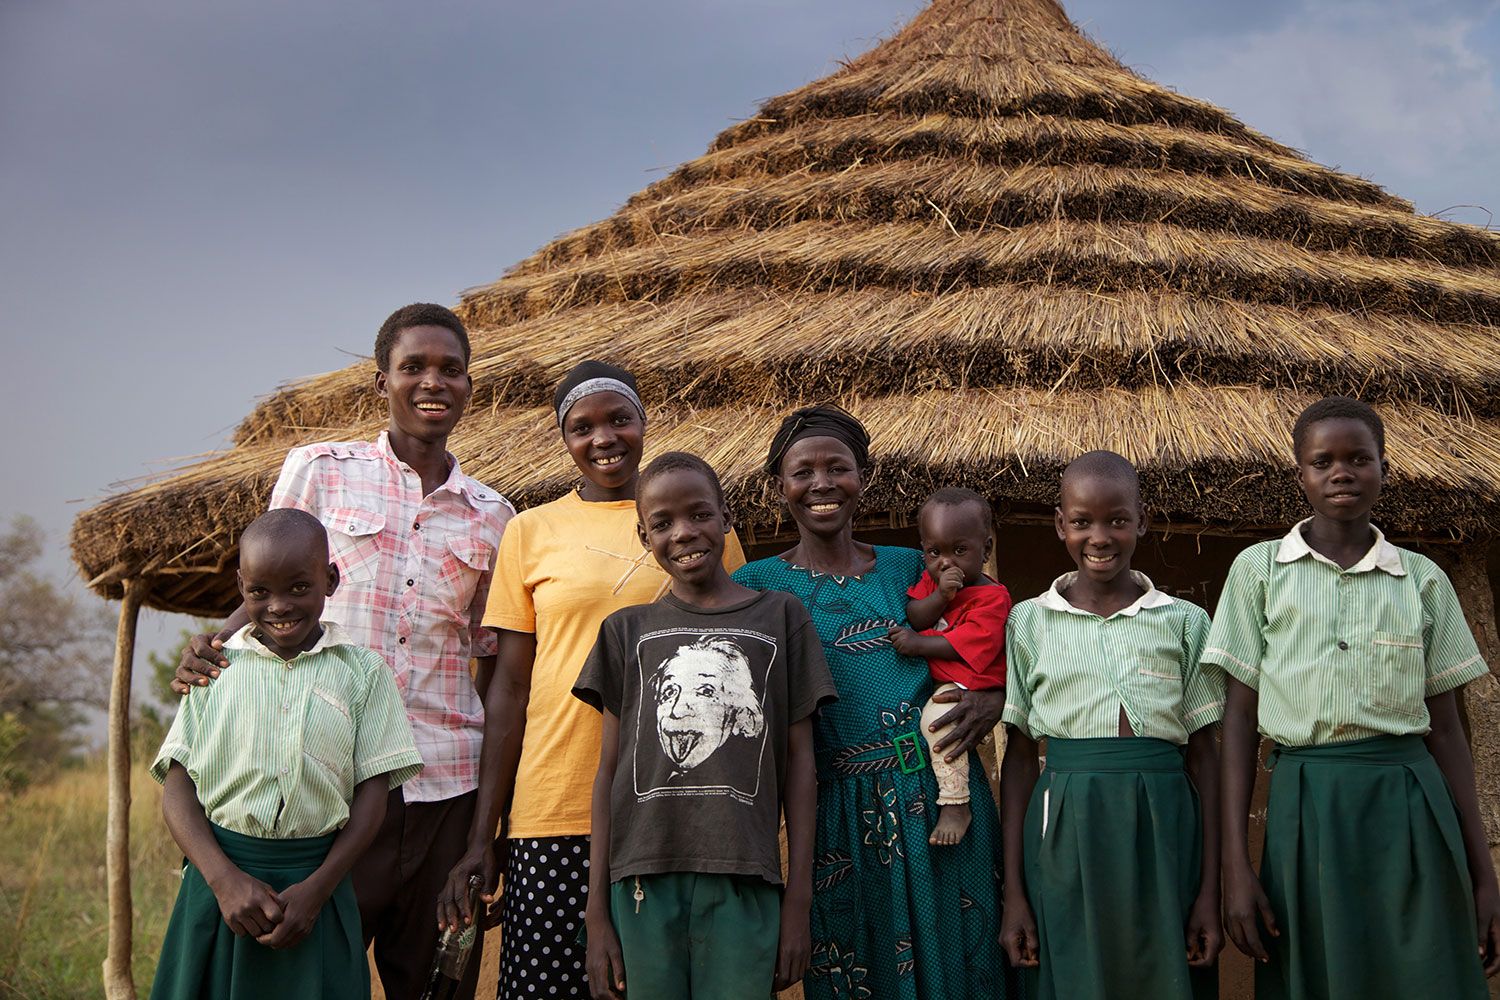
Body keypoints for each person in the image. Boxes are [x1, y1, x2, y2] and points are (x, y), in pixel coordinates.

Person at [175, 303, 513, 1000]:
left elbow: (491, 658)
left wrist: (487, 822)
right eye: (413, 366)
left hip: (445, 787)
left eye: (450, 369)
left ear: (468, 385)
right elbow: (273, 583)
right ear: (381, 381)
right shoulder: (320, 470)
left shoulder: (493, 515)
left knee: (437, 984)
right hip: (332, 789)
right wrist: (215, 642)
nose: (433, 382)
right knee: (313, 978)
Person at [443, 362, 746, 999]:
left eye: (619, 420)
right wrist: (482, 834)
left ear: (643, 423)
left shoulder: (694, 524)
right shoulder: (530, 531)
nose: (603, 438)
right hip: (553, 801)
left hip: (672, 802)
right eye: (582, 427)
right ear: (564, 438)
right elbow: (509, 690)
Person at [1210, 396, 1500, 999]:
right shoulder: (1259, 571)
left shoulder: (1423, 579)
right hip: (1307, 806)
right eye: (1323, 462)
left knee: (1421, 972)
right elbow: (1238, 720)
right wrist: (1236, 864)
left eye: (1359, 459)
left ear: (1384, 470)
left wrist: (1484, 874)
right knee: (1323, 972)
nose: (1341, 472)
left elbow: (1448, 732)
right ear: (1300, 475)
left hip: (1410, 804)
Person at [733, 403, 1018, 1000]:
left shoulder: (912, 565)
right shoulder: (756, 586)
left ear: (862, 477)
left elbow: (997, 633)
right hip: (836, 815)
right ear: (778, 486)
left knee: (963, 971)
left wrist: (994, 694)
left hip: (940, 798)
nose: (822, 484)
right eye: (802, 472)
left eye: (837, 468)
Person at [574, 451, 836, 999]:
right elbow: (608, 773)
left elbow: (801, 765)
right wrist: (596, 912)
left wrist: (799, 899)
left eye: (699, 514)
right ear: (644, 536)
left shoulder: (781, 616)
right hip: (641, 882)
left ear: (726, 517)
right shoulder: (625, 632)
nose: (684, 533)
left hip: (746, 877)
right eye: (663, 523)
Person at [149, 509, 423, 1000]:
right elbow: (177, 786)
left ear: (330, 580)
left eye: (299, 587)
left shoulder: (364, 673)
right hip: (221, 889)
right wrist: (223, 880)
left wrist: (320, 889)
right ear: (241, 587)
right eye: (260, 592)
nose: (279, 607)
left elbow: (373, 798)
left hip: (314, 890)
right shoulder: (214, 671)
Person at [997, 450, 1223, 1000]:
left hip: (1166, 826)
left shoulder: (1184, 621)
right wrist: (1015, 896)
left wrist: (1209, 892)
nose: (1099, 537)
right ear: (1060, 525)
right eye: (1082, 522)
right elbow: (1020, 758)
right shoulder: (1028, 621)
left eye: (1117, 520)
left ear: (1141, 521)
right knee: (1075, 971)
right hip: (1064, 828)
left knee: (1166, 972)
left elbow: (1204, 756)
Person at [887, 487, 1011, 846]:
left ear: (986, 549)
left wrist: (918, 644)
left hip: (971, 683)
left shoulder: (993, 597)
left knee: (936, 724)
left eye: (959, 551)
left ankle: (956, 803)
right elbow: (915, 614)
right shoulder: (933, 581)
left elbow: (970, 643)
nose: (946, 562)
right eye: (934, 552)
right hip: (947, 680)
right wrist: (941, 596)